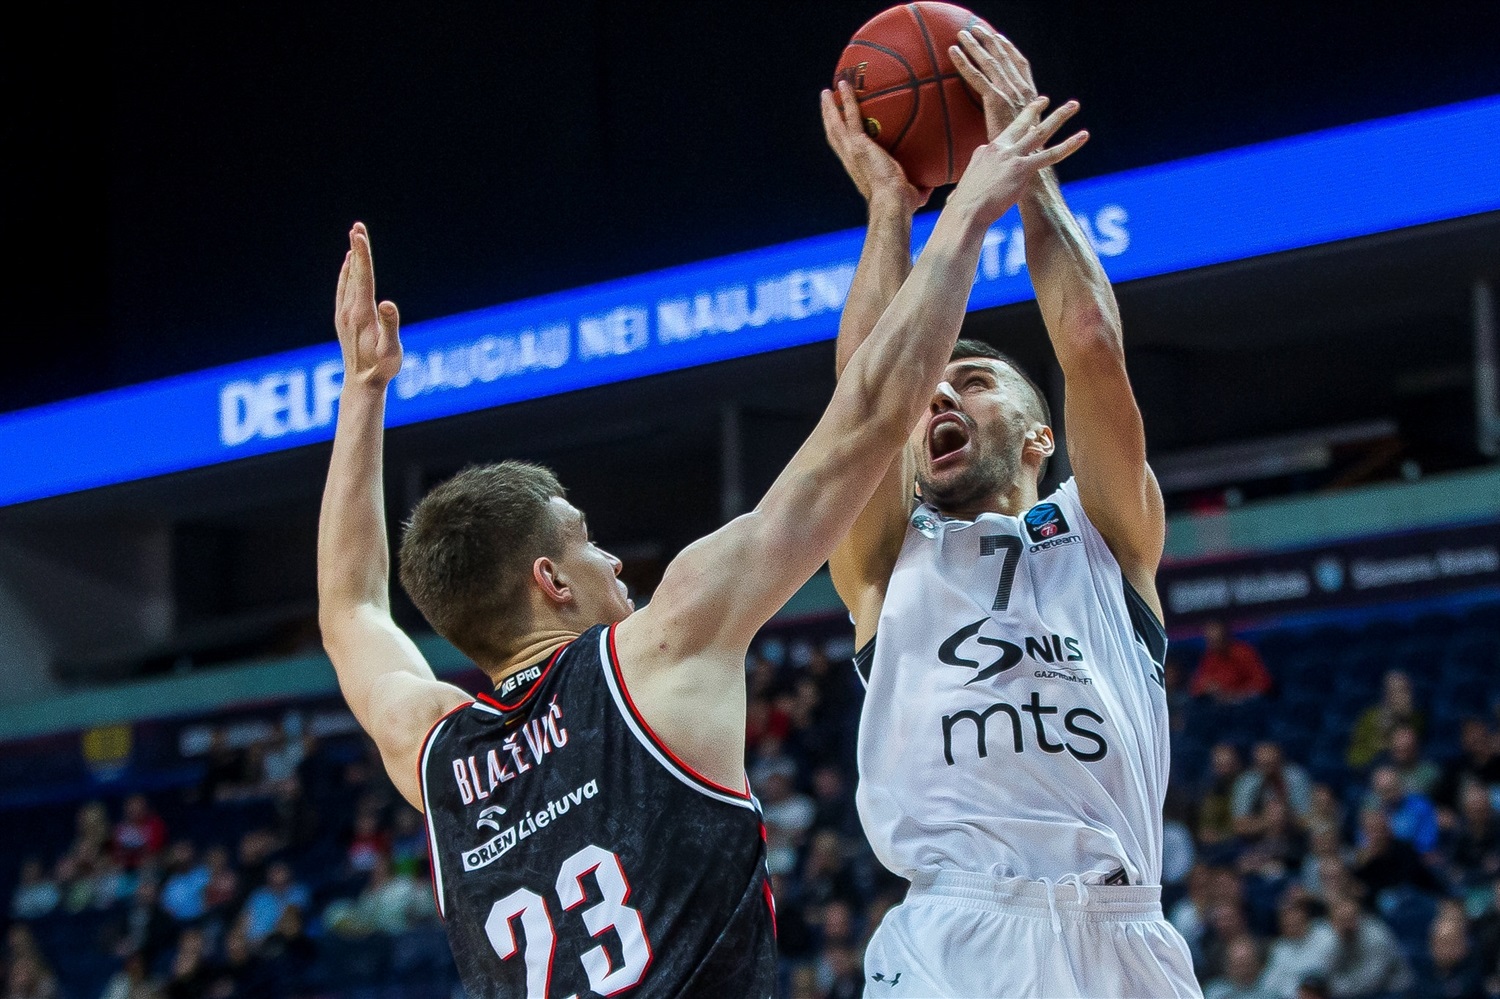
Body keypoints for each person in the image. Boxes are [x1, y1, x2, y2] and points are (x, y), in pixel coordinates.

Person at [317, 96, 1086, 999]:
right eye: (587, 541)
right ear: (549, 579)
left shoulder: (436, 750)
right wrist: (962, 216)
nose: (614, 563)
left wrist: (361, 392)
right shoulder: (658, 647)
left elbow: (350, 608)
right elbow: (876, 416)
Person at [823, 24, 1197, 997]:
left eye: (977, 381)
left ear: (1040, 438)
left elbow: (1089, 339)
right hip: (959, 937)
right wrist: (889, 210)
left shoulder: (1105, 530)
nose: (940, 395)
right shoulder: (885, 555)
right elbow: (868, 397)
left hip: (1123, 934)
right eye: (930, 391)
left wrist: (1025, 168)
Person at [1190, 621, 1273, 703]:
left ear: (1226, 637)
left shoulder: (1243, 653)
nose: (1213, 645)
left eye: (1217, 640)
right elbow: (1196, 688)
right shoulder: (1210, 657)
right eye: (1210, 641)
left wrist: (1237, 695)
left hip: (1245, 701)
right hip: (1222, 703)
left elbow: (1263, 683)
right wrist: (1208, 688)